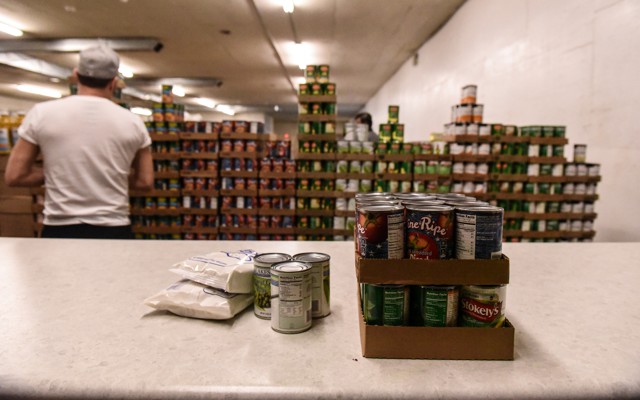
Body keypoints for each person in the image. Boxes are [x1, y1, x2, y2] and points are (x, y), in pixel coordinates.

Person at [4, 45, 154, 239]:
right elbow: (145, 181)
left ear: (75, 75)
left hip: (60, 227)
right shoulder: (133, 122)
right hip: (114, 228)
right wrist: (108, 174)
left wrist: (58, 173)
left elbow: (15, 176)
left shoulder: (41, 113)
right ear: (114, 82)